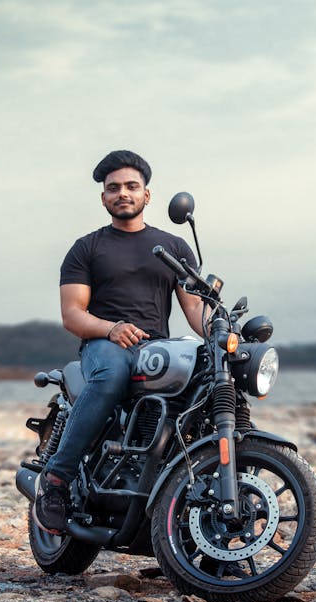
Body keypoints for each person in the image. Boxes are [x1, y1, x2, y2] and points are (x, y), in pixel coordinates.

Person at [33, 150, 204, 534]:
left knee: (209, 382)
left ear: (147, 195)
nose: (122, 193)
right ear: (103, 198)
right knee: (111, 373)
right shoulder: (87, 248)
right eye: (114, 188)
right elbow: (72, 314)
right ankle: (56, 481)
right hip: (104, 346)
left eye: (131, 186)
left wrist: (225, 336)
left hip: (158, 349)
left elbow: (194, 308)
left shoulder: (174, 247)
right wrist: (110, 329)